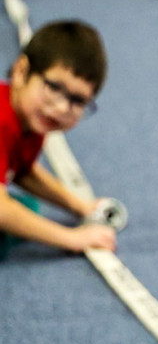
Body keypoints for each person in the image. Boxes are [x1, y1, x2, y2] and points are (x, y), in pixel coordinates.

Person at [0, 20, 118, 259]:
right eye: (54, 88)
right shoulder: (3, 118)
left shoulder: (30, 120)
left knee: (25, 210)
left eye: (78, 101)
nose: (62, 107)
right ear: (21, 71)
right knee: (13, 216)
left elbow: (23, 170)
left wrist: (79, 206)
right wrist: (71, 238)